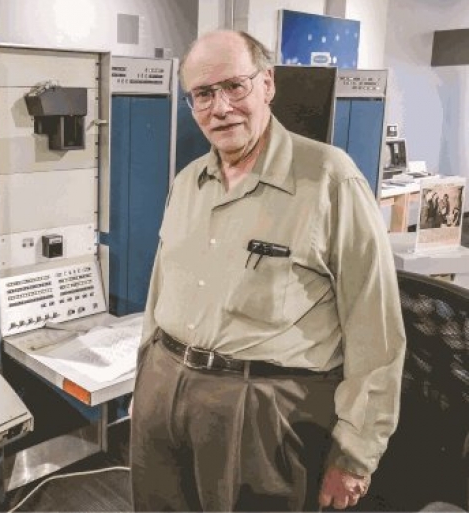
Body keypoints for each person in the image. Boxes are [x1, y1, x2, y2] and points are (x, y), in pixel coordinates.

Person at [129, 30, 406, 511]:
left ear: (267, 84)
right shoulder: (188, 182)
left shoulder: (330, 179)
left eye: (234, 86)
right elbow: (161, 291)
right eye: (203, 94)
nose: (220, 108)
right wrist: (146, 382)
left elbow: (375, 330)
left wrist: (355, 455)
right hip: (163, 390)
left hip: (260, 411)